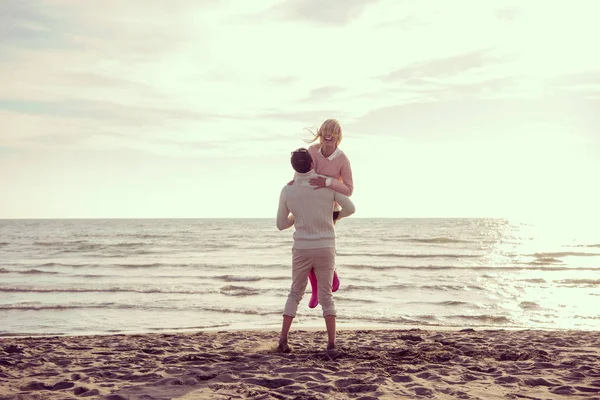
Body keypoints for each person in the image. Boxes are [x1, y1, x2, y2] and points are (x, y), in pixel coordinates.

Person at [276, 148, 356, 352]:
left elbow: (281, 224)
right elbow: (351, 209)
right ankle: (331, 344)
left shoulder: (288, 190)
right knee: (326, 295)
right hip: (326, 245)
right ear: (312, 163)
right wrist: (333, 217)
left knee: (295, 292)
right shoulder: (325, 183)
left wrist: (296, 218)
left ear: (294, 168)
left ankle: (283, 341)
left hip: (302, 246)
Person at [290, 119, 354, 308]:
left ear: (337, 136)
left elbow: (349, 189)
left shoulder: (342, 159)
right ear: (320, 133)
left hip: (329, 208)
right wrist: (294, 182)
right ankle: (320, 286)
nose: (328, 134)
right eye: (326, 131)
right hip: (309, 205)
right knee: (307, 247)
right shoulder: (312, 151)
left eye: (332, 132)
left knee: (321, 247)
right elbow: (302, 172)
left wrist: (327, 182)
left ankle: (325, 284)